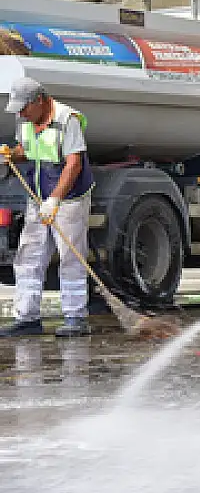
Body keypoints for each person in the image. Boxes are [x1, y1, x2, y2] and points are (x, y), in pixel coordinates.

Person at [0, 77, 94, 337]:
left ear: (39, 101)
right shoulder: (26, 120)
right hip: (38, 197)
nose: (20, 113)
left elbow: (73, 164)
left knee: (70, 256)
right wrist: (10, 154)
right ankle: (27, 318)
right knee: (29, 257)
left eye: (23, 108)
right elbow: (27, 150)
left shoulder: (67, 120)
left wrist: (55, 200)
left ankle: (76, 318)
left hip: (69, 199)